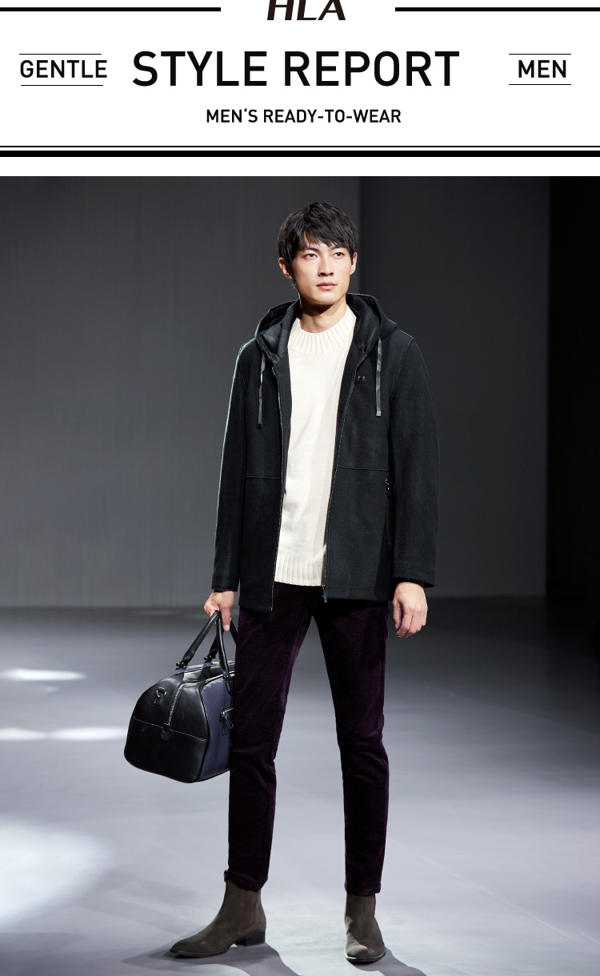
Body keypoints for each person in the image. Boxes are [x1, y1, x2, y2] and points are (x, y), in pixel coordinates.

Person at [170, 202, 439, 963]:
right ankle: (242, 904)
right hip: (273, 572)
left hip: (356, 572)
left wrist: (412, 573)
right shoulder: (257, 357)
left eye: (338, 252)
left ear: (354, 263)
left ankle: (363, 910)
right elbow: (233, 473)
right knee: (252, 741)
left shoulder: (394, 352)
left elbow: (417, 472)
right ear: (286, 266)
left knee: (363, 742)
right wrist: (224, 576)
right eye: (311, 253)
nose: (326, 265)